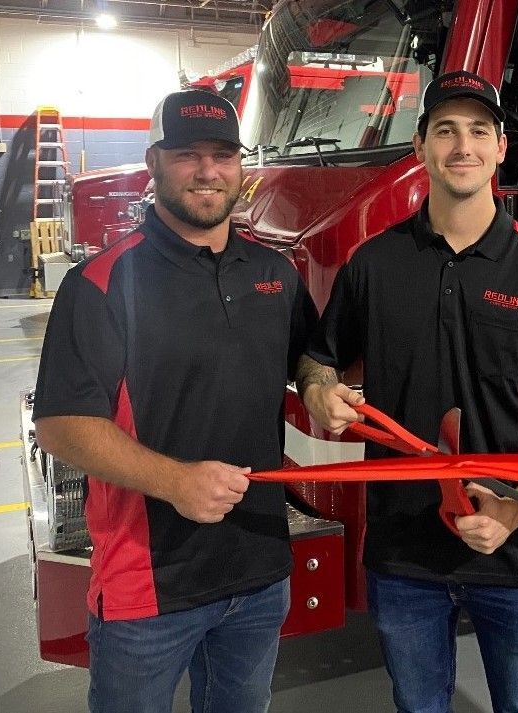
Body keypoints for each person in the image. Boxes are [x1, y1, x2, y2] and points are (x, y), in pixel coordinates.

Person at [300, 70, 518, 713]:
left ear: (501, 149)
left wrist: (517, 509)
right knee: (418, 704)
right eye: (445, 130)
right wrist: (321, 394)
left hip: (513, 550)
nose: (462, 146)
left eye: (478, 131)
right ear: (420, 148)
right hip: (403, 551)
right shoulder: (372, 264)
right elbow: (319, 361)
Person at [33, 89, 317, 713]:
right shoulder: (103, 283)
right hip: (150, 585)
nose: (208, 170)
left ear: (242, 166)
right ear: (154, 161)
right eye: (188, 154)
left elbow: (305, 355)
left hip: (259, 568)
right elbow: (61, 424)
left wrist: (320, 385)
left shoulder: (274, 273)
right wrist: (173, 480)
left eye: (222, 154)